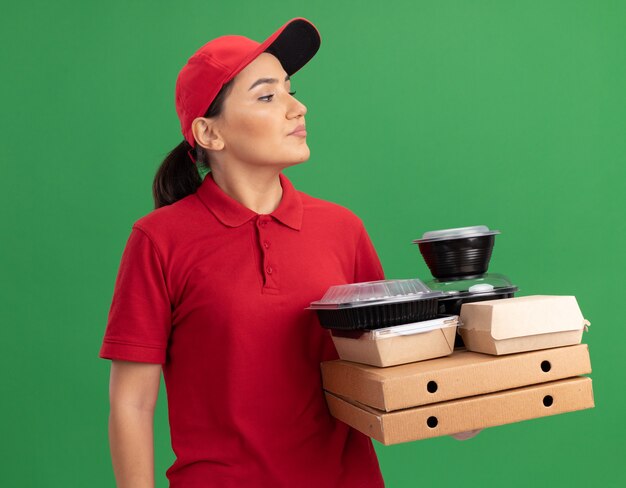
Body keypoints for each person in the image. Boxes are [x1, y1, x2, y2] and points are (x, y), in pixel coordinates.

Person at [99, 18, 387, 488]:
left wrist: (459, 405)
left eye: (291, 90)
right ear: (210, 134)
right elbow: (131, 404)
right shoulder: (158, 241)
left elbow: (386, 366)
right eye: (268, 96)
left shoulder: (343, 229)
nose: (298, 108)